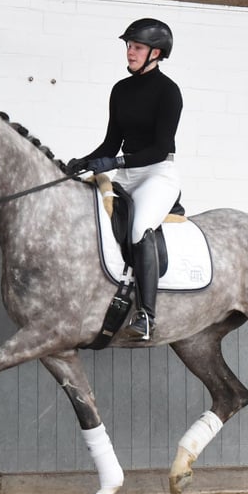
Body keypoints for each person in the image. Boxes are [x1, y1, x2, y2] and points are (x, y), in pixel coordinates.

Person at [67, 18, 183, 341]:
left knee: (138, 226)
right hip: (127, 175)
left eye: (137, 47)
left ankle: (147, 315)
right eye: (129, 46)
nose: (130, 52)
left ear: (156, 53)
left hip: (158, 173)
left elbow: (160, 148)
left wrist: (115, 161)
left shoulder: (169, 93)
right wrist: (86, 161)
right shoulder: (120, 90)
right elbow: (110, 143)